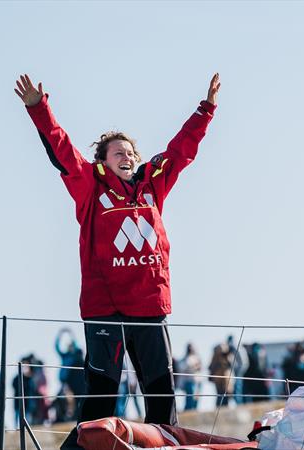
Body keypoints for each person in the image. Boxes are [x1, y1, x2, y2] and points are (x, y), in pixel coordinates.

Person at [15, 73, 220, 449]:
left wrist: (205, 110)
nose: (126, 157)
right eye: (118, 153)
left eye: (130, 153)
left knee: (161, 396)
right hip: (105, 308)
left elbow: (180, 151)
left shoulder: (153, 186)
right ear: (104, 162)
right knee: (101, 396)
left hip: (149, 305)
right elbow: (62, 151)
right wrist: (38, 108)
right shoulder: (89, 187)